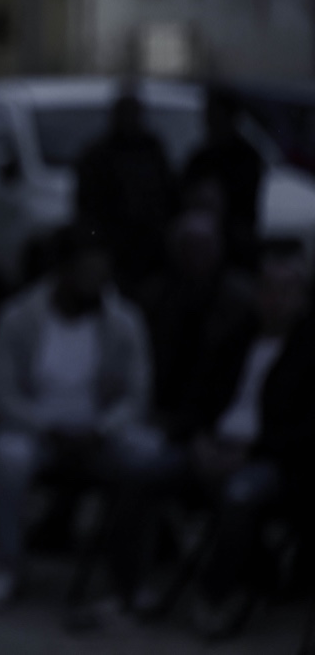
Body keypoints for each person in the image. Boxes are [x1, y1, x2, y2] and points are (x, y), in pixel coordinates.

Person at [113, 240, 315, 638]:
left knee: (240, 495)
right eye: (267, 288)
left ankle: (215, 596)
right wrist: (199, 439)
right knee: (139, 474)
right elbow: (195, 399)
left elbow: (305, 432)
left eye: (286, 290)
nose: (274, 299)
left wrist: (250, 453)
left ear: (302, 299)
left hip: (268, 459)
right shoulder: (234, 339)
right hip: (210, 445)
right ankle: (130, 588)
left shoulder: (309, 353)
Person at [0, 224, 153, 605]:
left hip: (99, 433)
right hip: (36, 430)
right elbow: (1, 394)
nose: (95, 283)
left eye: (101, 273)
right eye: (86, 273)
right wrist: (46, 427)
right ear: (62, 270)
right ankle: (6, 565)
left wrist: (102, 429)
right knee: (7, 456)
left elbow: (137, 397)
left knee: (146, 454)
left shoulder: (124, 323)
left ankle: (130, 577)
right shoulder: (19, 318)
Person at [134, 209, 250, 433]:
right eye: (190, 247)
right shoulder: (154, 296)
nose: (197, 255)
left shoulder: (240, 299)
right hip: (159, 405)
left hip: (218, 409)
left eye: (204, 246)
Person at [75, 90, 176, 296]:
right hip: (111, 242)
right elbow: (86, 205)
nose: (129, 120)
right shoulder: (98, 155)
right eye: (125, 113)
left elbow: (168, 194)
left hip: (149, 244)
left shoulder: (152, 150)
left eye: (133, 113)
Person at [182, 88, 264, 271]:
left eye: (214, 115)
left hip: (235, 249)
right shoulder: (200, 159)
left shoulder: (246, 159)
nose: (208, 121)